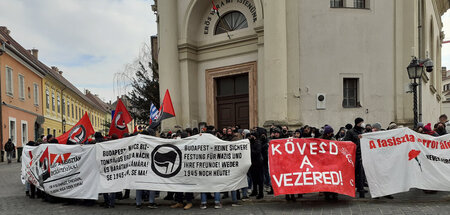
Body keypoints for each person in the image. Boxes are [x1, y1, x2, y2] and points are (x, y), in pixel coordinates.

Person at [344, 117, 366, 198]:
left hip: (361, 155)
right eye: (361, 122)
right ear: (358, 123)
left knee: (361, 174)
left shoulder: (362, 131)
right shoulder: (351, 132)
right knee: (352, 173)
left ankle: (361, 190)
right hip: (354, 155)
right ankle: (350, 188)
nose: (362, 124)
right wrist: (357, 138)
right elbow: (346, 142)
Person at [320, 126, 339, 201]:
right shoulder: (320, 140)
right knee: (326, 179)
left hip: (332, 163)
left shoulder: (333, 139)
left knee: (333, 178)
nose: (332, 134)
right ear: (328, 133)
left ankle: (334, 194)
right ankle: (327, 194)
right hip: (324, 163)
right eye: (331, 132)